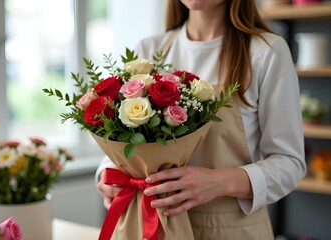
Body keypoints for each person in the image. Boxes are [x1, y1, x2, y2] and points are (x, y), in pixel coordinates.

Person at [95, 0, 306, 239]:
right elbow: (127, 142)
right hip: (154, 225)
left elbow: (290, 164)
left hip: (232, 230)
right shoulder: (150, 50)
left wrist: (220, 182)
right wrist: (107, 172)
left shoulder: (266, 51)